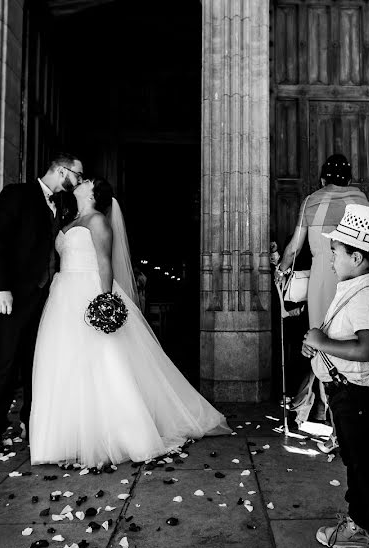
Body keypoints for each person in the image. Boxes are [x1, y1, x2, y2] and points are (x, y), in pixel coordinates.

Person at [29, 178, 230, 467]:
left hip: (88, 292)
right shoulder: (72, 219)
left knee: (104, 364)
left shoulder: (97, 220)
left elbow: (104, 263)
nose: (81, 181)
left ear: (94, 193)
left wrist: (104, 302)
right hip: (63, 297)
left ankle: (121, 433)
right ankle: (65, 437)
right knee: (64, 362)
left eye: (86, 181)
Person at [302, 204, 369, 548]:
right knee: (355, 463)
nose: (330, 258)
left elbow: (366, 348)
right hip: (344, 394)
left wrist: (323, 340)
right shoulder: (355, 286)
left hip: (358, 396)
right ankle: (360, 524)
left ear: (357, 257)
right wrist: (320, 347)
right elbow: (344, 338)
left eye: (336, 252)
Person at [0, 153, 84, 461]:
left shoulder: (65, 205)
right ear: (62, 170)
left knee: (38, 364)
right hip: (14, 295)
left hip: (49, 299)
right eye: (77, 175)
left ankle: (31, 422)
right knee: (5, 364)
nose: (78, 181)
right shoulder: (17, 194)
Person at [273, 154, 369, 447]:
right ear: (350, 180)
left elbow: (293, 248)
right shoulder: (362, 202)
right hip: (354, 281)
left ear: (322, 179)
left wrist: (280, 271)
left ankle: (330, 415)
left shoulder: (311, 202)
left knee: (322, 347)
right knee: (350, 346)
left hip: (320, 284)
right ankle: (341, 425)